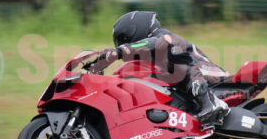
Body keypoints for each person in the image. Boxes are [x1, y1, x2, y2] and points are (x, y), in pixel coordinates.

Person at [88, 11, 230, 124]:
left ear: (135, 30)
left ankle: (210, 102)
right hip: (189, 87)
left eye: (124, 39)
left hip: (212, 78)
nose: (122, 43)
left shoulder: (163, 37)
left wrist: (118, 52)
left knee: (173, 55)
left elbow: (150, 44)